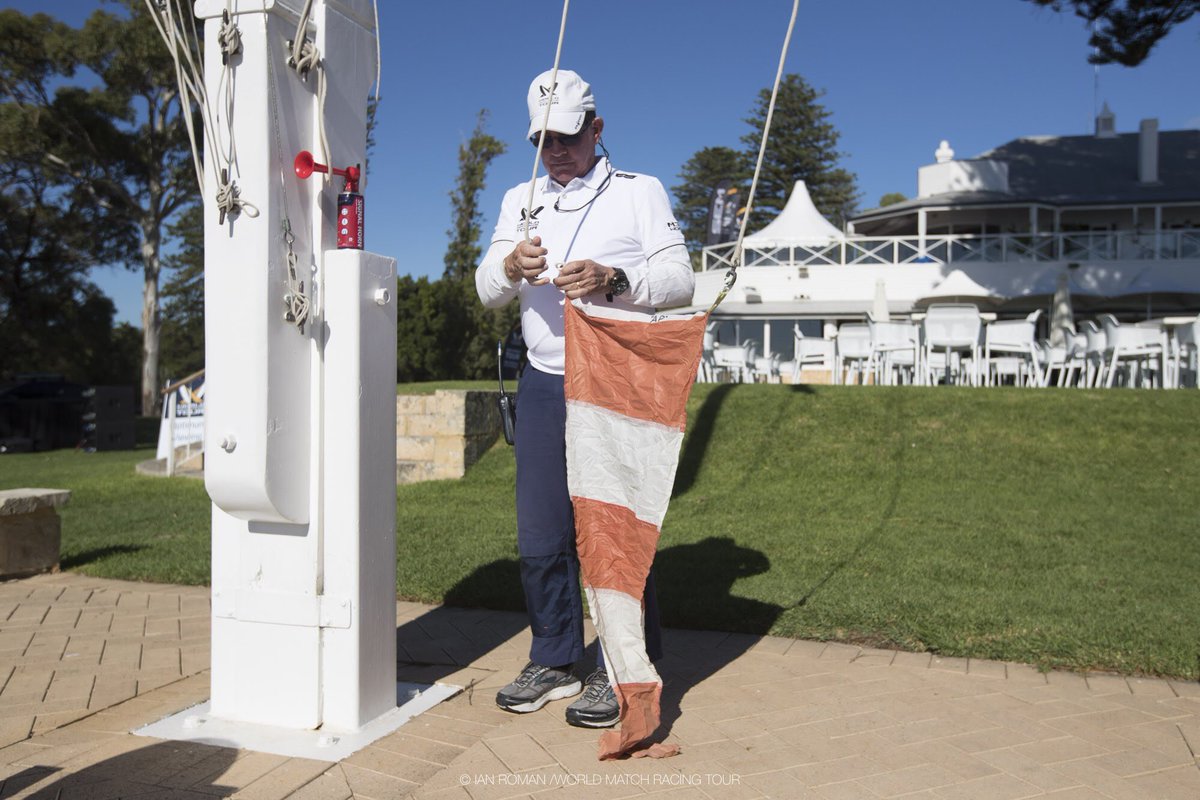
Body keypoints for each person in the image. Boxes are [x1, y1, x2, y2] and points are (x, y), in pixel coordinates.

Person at [475, 69, 695, 728]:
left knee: (615, 528)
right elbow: (486, 289)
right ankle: (554, 658)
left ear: (597, 129)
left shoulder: (638, 191)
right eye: (541, 140)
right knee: (541, 533)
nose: (555, 152)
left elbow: (680, 279)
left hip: (616, 378)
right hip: (543, 381)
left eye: (567, 137)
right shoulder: (519, 198)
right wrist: (509, 267)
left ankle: (623, 667)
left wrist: (612, 278)